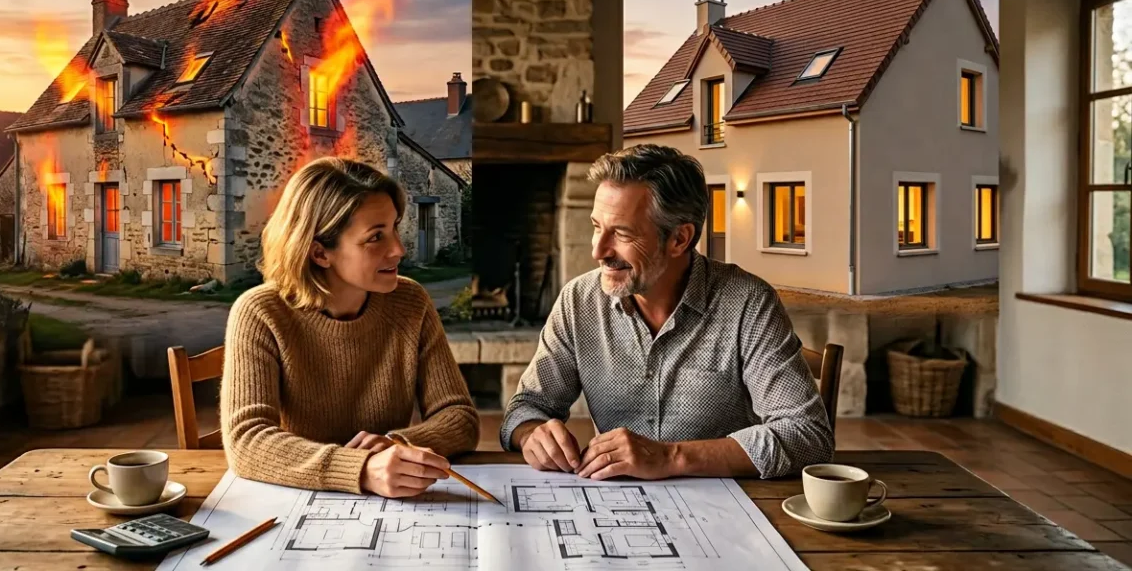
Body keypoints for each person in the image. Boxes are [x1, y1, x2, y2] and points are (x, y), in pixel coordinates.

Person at [500, 144, 834, 480]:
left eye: (621, 233)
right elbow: (526, 408)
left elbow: (808, 436)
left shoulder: (749, 303)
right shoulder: (578, 301)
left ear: (679, 239)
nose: (597, 250)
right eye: (596, 226)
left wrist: (671, 456)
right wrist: (532, 434)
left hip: (730, 512)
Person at [221, 157, 479, 497]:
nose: (399, 250)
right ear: (319, 254)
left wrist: (396, 444)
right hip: (290, 501)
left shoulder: (411, 302)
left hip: (392, 504)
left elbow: (459, 417)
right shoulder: (259, 312)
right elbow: (247, 440)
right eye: (376, 237)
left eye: (394, 228)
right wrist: (359, 470)